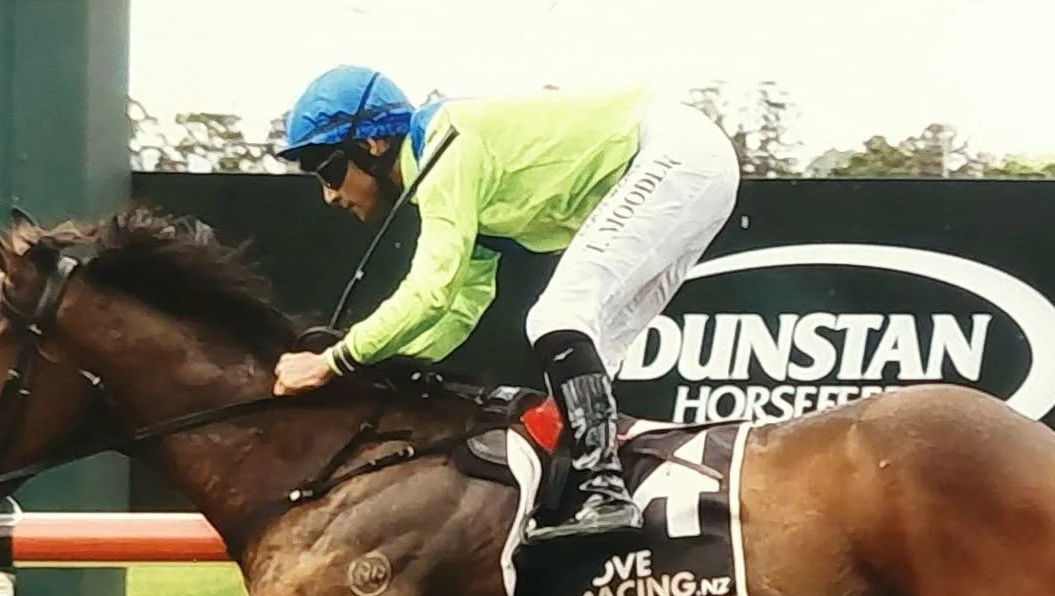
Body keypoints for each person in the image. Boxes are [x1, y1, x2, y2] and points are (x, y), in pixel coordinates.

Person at [271, 65, 741, 542]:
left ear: (372, 145)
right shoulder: (444, 165)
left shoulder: (444, 146)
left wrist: (335, 361)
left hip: (673, 153)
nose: (329, 194)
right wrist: (385, 365)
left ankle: (602, 492)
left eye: (329, 169)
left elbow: (430, 289)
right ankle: (597, 495)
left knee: (557, 317)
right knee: (595, 354)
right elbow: (460, 305)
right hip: (695, 164)